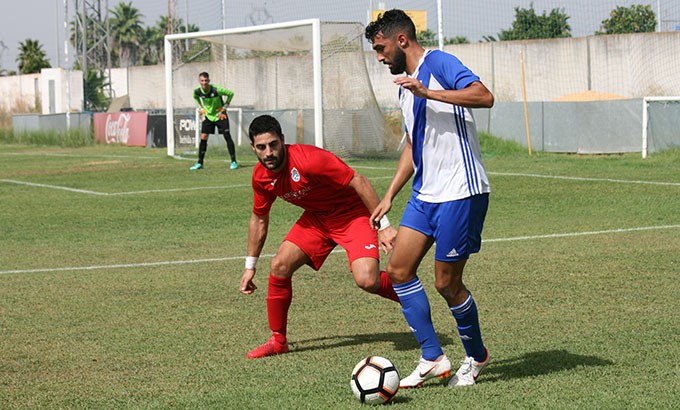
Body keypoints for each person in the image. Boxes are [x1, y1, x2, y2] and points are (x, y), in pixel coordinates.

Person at [365, 9, 495, 388]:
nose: (380, 57)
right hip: (425, 194)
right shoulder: (404, 85)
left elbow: (484, 97)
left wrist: (429, 92)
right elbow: (413, 145)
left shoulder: (438, 63)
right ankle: (432, 357)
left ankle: (476, 356)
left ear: (402, 40)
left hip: (461, 191)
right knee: (399, 270)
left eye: (381, 48)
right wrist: (390, 194)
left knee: (446, 284)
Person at [240, 114, 400, 358]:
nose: (268, 152)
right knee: (280, 265)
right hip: (318, 218)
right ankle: (278, 340)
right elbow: (259, 219)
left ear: (282, 140)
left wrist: (384, 225)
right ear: (253, 147)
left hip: (352, 213)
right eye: (261, 147)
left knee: (367, 280)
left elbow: (359, 180)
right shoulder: (261, 177)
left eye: (273, 145)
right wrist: (250, 266)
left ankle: (409, 295)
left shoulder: (308, 160)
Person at [190, 72, 237, 170]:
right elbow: (196, 98)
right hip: (208, 116)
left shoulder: (216, 90)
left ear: (209, 81)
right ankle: (200, 163)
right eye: (202, 81)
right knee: (203, 136)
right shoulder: (197, 91)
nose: (204, 83)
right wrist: (201, 108)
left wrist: (225, 107)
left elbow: (230, 94)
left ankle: (233, 161)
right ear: (199, 81)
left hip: (220, 116)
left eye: (206, 81)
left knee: (227, 136)